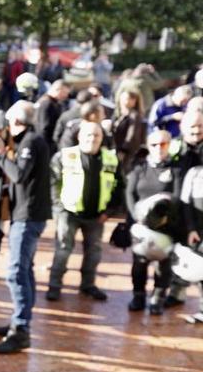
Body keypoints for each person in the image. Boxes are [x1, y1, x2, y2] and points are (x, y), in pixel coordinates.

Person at [0, 101, 52, 354]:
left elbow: (19, 175)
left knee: (16, 271)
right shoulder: (30, 140)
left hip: (28, 216)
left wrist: (0, 154)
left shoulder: (30, 141)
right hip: (25, 213)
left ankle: (22, 329)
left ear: (16, 121)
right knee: (25, 269)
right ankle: (20, 319)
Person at [47, 121, 124, 303]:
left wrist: (109, 211)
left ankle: (88, 285)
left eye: (96, 135)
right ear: (80, 137)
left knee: (94, 252)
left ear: (102, 138)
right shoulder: (65, 156)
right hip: (69, 213)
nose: (92, 139)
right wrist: (58, 207)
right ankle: (54, 286)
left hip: (97, 215)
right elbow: (52, 182)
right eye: (88, 135)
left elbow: (119, 186)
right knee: (63, 250)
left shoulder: (111, 159)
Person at [126, 130, 179, 314]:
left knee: (163, 265)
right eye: (154, 145)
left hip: (165, 226)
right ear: (148, 147)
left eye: (163, 144)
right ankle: (138, 295)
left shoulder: (175, 169)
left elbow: (178, 197)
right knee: (139, 263)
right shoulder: (140, 168)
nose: (158, 148)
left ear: (169, 145)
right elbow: (130, 193)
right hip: (141, 226)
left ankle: (158, 296)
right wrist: (136, 216)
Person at [114, 88, 148, 175]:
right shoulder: (117, 114)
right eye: (126, 98)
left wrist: (123, 150)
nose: (127, 101)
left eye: (131, 98)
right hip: (115, 149)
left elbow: (131, 135)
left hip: (127, 153)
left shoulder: (134, 116)